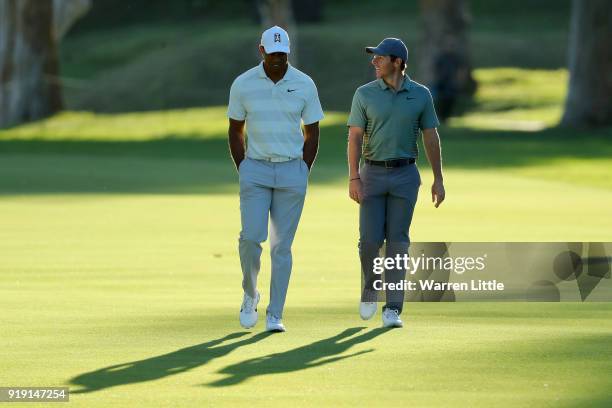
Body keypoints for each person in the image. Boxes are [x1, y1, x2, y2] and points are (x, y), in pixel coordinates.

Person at [227, 26, 324, 332]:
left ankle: (275, 313)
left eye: (283, 54)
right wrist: (243, 167)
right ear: (262, 51)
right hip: (255, 169)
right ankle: (250, 293)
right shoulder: (243, 84)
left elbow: (312, 132)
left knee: (281, 247)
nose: (279, 60)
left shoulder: (304, 84)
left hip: (291, 171)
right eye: (273, 54)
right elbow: (235, 129)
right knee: (251, 239)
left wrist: (302, 170)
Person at [347, 38, 445, 328]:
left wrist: (438, 178)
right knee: (369, 241)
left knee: (398, 243)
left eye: (380, 57)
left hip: (405, 175)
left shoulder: (421, 94)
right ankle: (369, 288)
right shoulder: (364, 94)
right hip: (372, 174)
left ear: (398, 62)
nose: (374, 61)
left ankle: (393, 308)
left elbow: (430, 137)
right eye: (373, 57)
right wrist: (354, 176)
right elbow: (354, 137)